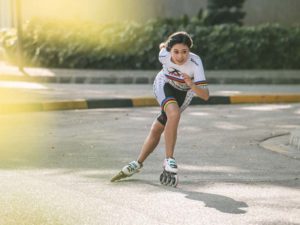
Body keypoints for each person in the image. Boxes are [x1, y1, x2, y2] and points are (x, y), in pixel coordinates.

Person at [111, 31, 209, 187]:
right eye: (176, 52)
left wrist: (191, 84)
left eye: (185, 52)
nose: (180, 56)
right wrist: (164, 46)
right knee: (174, 114)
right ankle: (169, 159)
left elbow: (205, 95)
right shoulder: (163, 55)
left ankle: (137, 163)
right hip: (164, 84)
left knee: (159, 127)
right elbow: (162, 47)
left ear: (189, 51)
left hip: (184, 92)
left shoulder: (196, 63)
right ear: (170, 51)